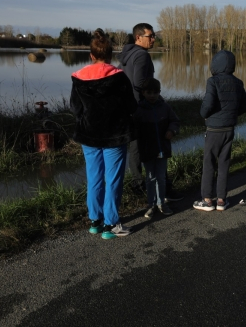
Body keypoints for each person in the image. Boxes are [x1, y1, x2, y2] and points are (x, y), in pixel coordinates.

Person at [70, 29, 137, 239]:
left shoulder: (78, 77)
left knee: (94, 177)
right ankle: (110, 225)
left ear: (91, 55)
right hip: (114, 136)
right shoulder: (120, 77)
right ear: (110, 55)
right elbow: (131, 106)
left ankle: (95, 221)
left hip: (89, 135)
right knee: (113, 178)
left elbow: (75, 108)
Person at [194, 50, 246, 211]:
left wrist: (203, 114)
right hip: (229, 129)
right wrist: (232, 114)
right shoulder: (238, 83)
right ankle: (221, 200)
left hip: (213, 129)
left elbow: (208, 104)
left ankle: (206, 200)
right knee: (224, 163)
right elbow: (245, 105)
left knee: (209, 163)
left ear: (215, 64)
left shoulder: (213, 81)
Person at [116, 23, 155, 197]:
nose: (153, 39)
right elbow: (139, 83)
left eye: (153, 36)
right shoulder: (141, 56)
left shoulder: (128, 54)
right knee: (142, 147)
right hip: (139, 107)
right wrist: (153, 99)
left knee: (134, 147)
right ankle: (144, 186)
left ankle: (137, 184)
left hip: (127, 105)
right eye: (150, 36)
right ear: (138, 37)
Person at [133, 78, 180, 218]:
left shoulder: (165, 107)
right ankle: (151, 204)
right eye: (149, 92)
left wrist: (172, 131)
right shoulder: (139, 109)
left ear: (159, 92)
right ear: (143, 93)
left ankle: (162, 204)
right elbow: (133, 128)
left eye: (155, 92)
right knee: (150, 178)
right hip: (147, 149)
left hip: (162, 149)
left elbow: (175, 121)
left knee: (161, 177)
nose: (152, 95)